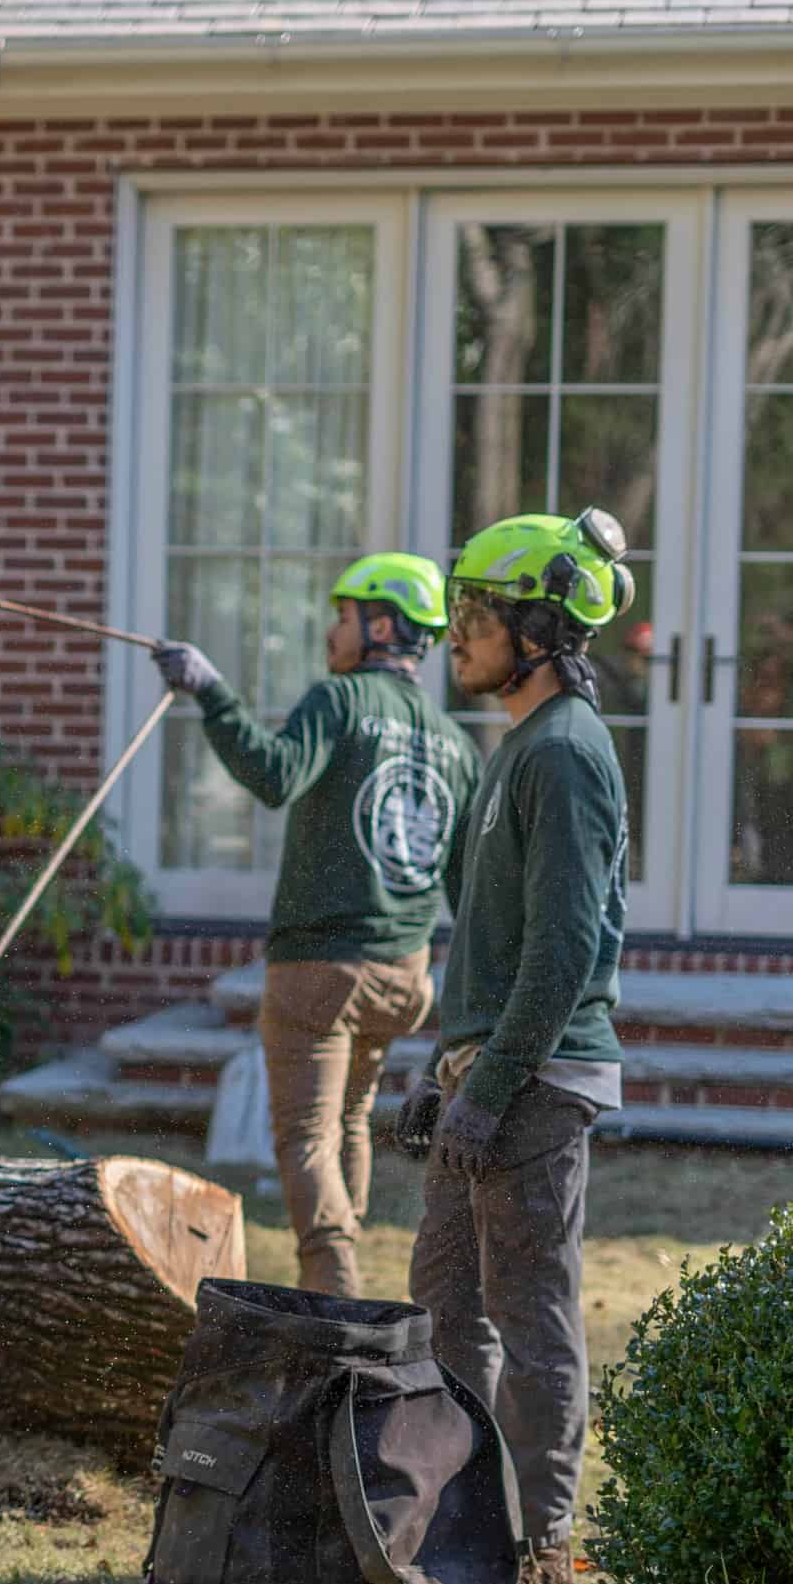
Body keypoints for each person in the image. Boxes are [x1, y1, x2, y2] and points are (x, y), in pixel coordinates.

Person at [397, 508, 635, 1584]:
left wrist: (489, 1087)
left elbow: (563, 949)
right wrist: (440, 1070)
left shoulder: (568, 754)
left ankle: (543, 1542)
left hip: (538, 1081)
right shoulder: (519, 747)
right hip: (490, 1072)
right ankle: (462, 1522)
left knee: (528, 1312)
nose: (455, 633)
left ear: (538, 630)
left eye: (476, 615)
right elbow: (490, 945)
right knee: (445, 1304)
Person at [151, 556, 481, 1299]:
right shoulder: (456, 743)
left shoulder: (339, 700)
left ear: (382, 626)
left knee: (305, 1134)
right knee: (350, 1119)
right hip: (404, 974)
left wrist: (210, 692)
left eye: (343, 616)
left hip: (320, 969)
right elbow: (464, 885)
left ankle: (332, 1293)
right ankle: (343, 1273)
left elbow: (274, 775)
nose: (331, 632)